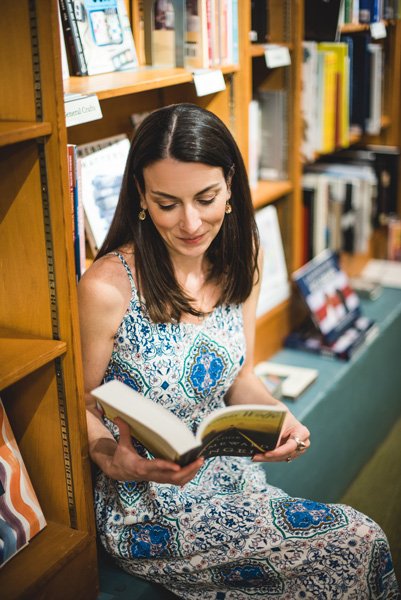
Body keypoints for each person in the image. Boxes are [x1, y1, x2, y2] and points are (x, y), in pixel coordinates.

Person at [78, 103, 399, 599]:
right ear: (140, 196)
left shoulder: (243, 251)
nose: (190, 223)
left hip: (232, 479)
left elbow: (241, 374)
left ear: (229, 185)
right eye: (167, 204)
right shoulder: (107, 287)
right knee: (358, 541)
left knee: (354, 551)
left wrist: (280, 418)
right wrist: (114, 461)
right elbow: (79, 402)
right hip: (150, 507)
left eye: (205, 197)